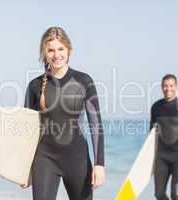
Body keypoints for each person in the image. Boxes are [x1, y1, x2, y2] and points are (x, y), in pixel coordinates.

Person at [23, 27, 105, 200]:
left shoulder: (84, 81)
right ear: (44, 53)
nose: (56, 54)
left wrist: (99, 164)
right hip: (44, 159)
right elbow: (28, 131)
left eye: (61, 49)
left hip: (77, 159)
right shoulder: (35, 86)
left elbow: (95, 124)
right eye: (50, 50)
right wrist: (23, 168)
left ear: (69, 51)